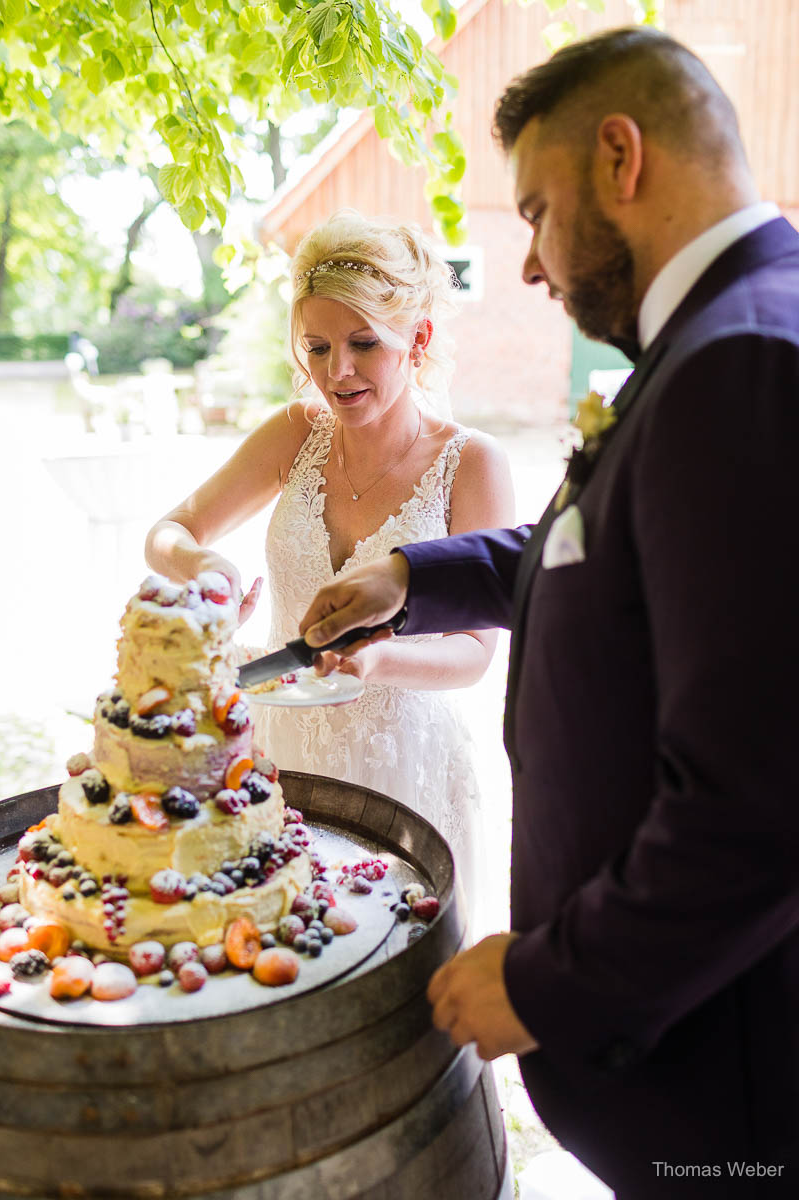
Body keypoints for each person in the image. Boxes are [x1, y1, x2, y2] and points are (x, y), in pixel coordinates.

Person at [296, 29, 799, 1195]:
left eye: (532, 210)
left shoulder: (746, 363)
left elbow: (762, 798)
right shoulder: (710, 342)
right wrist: (417, 577)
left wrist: (548, 982)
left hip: (729, 1079)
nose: (528, 264)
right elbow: (616, 554)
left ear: (621, 158)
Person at [145, 211, 514, 922]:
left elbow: (474, 654)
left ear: (419, 339)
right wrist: (205, 565)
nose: (335, 372)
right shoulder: (294, 434)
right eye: (316, 347)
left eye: (363, 344)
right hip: (278, 761)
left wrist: (378, 663)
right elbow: (170, 531)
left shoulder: (471, 463)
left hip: (405, 770)